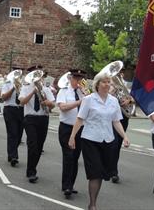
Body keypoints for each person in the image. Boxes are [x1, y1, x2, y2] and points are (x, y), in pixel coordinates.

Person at [68, 69, 130, 210]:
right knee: (94, 172)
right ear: (97, 84)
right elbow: (80, 119)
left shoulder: (113, 101)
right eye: (104, 82)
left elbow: (116, 121)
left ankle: (93, 201)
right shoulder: (89, 100)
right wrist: (72, 137)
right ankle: (93, 204)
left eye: (109, 82)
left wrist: (125, 136)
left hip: (107, 140)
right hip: (90, 140)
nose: (107, 84)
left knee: (101, 173)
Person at [19, 65, 55, 183]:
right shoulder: (25, 87)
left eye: (39, 76)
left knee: (39, 146)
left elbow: (53, 106)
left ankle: (32, 167)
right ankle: (31, 172)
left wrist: (47, 102)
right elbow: (22, 102)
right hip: (30, 118)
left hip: (43, 118)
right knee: (33, 144)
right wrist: (32, 92)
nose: (38, 79)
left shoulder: (46, 89)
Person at [56, 69, 87, 199]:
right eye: (76, 78)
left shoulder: (82, 92)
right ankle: (67, 186)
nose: (78, 81)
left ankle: (70, 185)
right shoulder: (63, 91)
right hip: (66, 128)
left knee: (75, 158)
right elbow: (62, 107)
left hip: (80, 128)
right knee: (68, 156)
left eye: (80, 79)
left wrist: (86, 95)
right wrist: (79, 102)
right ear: (71, 79)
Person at [109, 68, 134, 183]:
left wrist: (129, 101)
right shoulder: (110, 85)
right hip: (112, 117)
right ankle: (113, 171)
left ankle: (113, 168)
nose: (117, 76)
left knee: (118, 144)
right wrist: (112, 91)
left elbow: (134, 98)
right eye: (115, 74)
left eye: (119, 74)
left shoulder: (127, 87)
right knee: (113, 144)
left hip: (123, 117)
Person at [1, 66, 25, 167]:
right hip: (10, 109)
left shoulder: (24, 83)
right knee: (12, 133)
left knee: (19, 135)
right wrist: (13, 88)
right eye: (16, 73)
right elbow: (3, 97)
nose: (18, 76)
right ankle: (13, 156)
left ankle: (12, 153)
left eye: (20, 74)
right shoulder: (7, 83)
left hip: (21, 109)